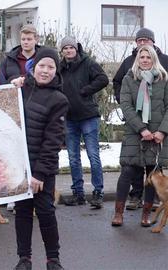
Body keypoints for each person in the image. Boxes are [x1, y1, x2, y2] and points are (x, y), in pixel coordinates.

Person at [11, 48, 68, 270]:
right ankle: (24, 258)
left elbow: (53, 140)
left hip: (42, 169)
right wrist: (12, 85)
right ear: (33, 67)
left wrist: (39, 174)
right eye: (42, 65)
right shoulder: (20, 89)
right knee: (23, 212)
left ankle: (53, 259)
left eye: (51, 67)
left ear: (56, 70)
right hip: (19, 165)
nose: (45, 70)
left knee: (45, 213)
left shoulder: (59, 99)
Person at [111, 45, 168, 227]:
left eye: (148, 57)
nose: (144, 60)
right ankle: (118, 213)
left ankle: (146, 215)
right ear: (137, 59)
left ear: (154, 59)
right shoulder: (129, 78)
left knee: (152, 174)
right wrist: (142, 129)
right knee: (127, 170)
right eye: (141, 57)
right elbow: (126, 106)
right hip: (135, 132)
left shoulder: (164, 79)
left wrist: (161, 131)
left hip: (157, 133)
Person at [58, 36, 109, 208]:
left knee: (93, 155)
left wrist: (86, 90)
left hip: (88, 116)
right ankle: (78, 193)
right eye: (65, 48)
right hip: (70, 118)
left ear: (76, 48)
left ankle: (98, 192)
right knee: (73, 158)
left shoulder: (88, 63)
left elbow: (103, 79)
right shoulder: (60, 67)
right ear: (62, 51)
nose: (68, 51)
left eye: (71, 48)